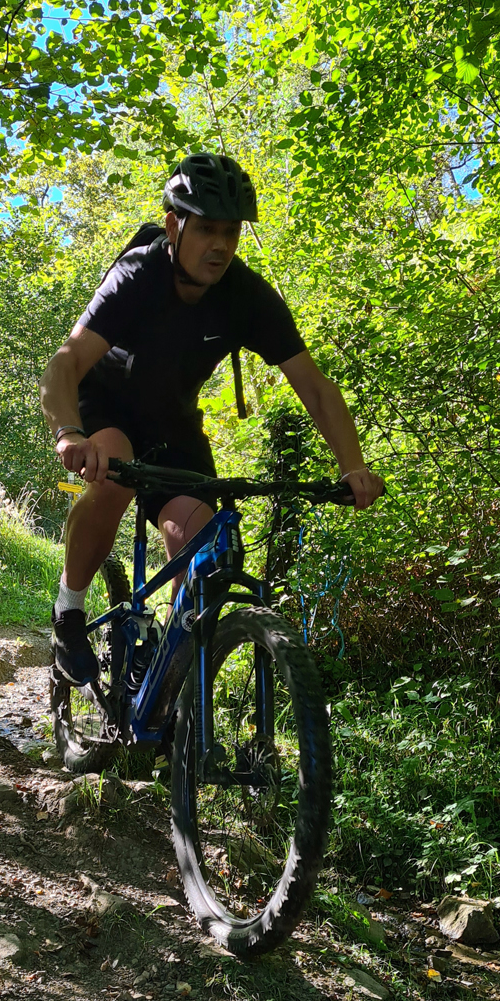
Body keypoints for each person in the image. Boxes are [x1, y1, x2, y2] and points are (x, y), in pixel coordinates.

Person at [38, 152, 385, 685]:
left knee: (202, 549)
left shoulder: (246, 296)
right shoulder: (137, 275)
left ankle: (175, 695)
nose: (220, 245)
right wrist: (69, 434)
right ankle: (69, 612)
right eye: (206, 230)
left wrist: (353, 465)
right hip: (105, 408)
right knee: (114, 471)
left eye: (231, 231)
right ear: (175, 224)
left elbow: (314, 386)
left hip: (174, 424)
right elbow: (66, 362)